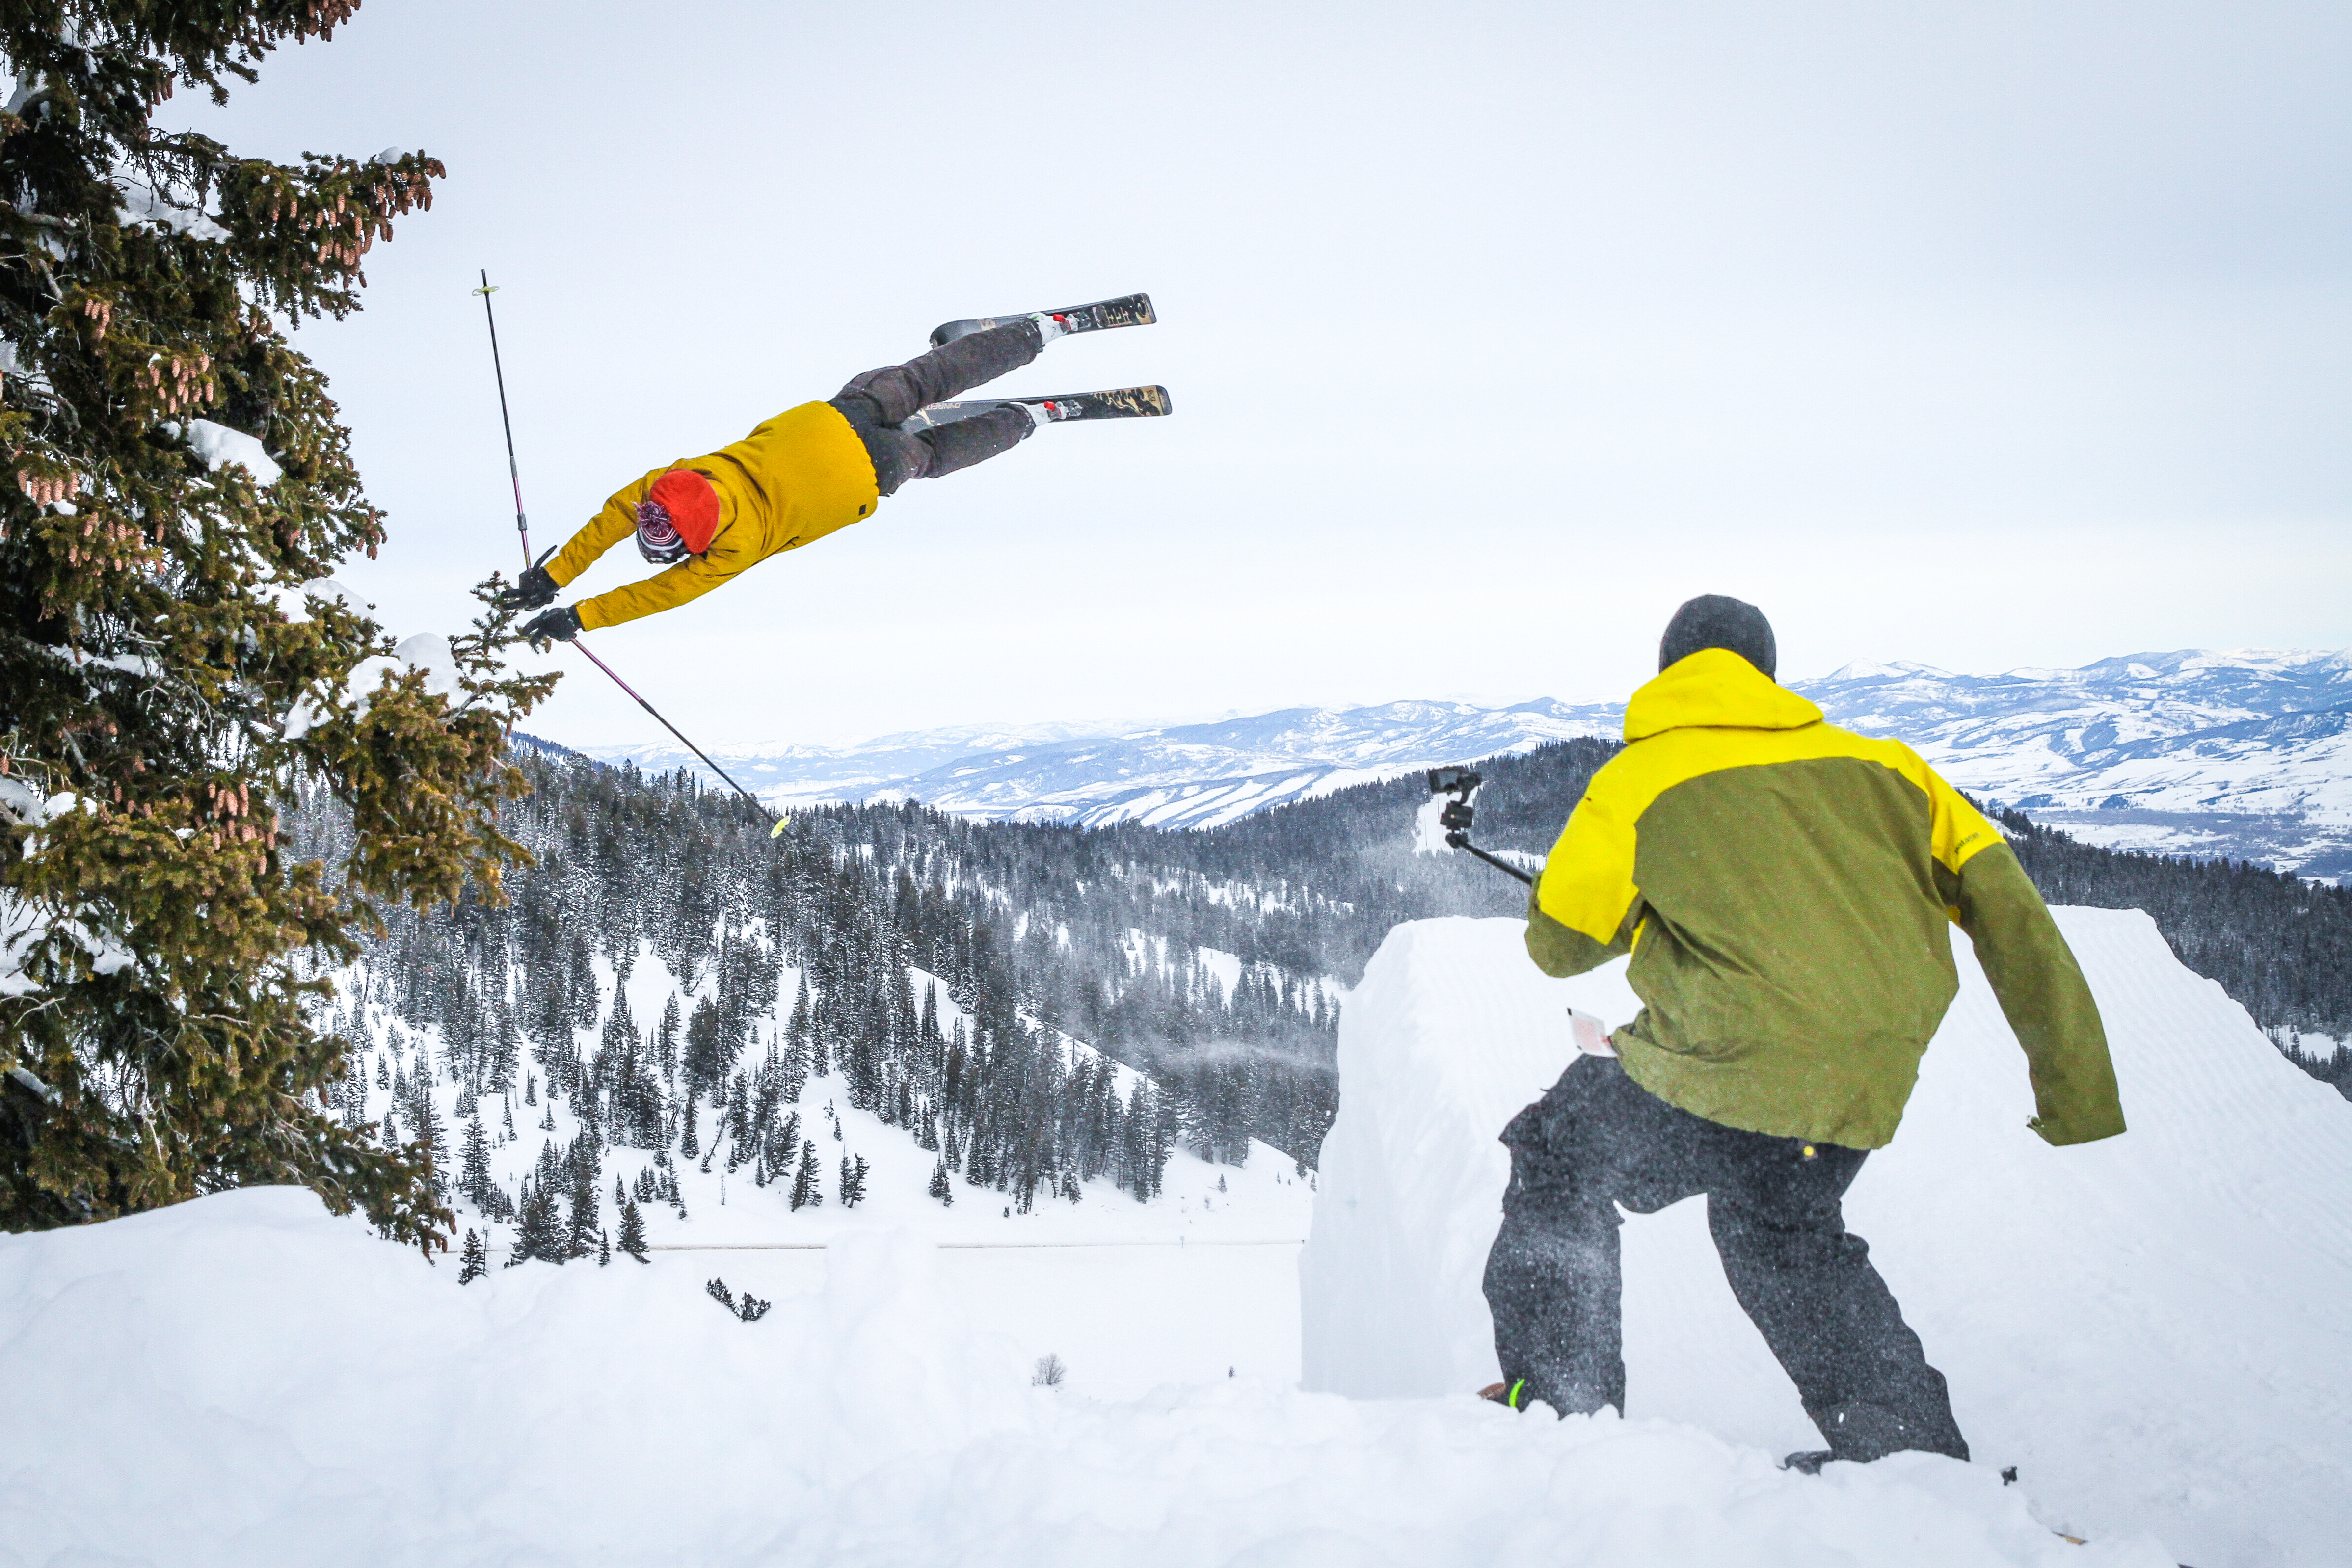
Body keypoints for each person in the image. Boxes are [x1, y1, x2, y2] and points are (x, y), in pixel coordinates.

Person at [1481, 594, 2126, 1472]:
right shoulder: (1896, 770)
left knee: (1557, 1155)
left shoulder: (1639, 778)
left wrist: (1646, 908)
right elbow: (2014, 919)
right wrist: (2074, 1091)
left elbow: (1556, 948)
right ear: (1768, 675)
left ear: (1671, 672)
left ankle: (1562, 1408)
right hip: (1857, 1079)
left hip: (1714, 1065)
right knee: (1782, 1232)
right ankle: (1912, 1464)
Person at [502, 316, 1069, 641]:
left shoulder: (731, 549)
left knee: (933, 453)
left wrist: (578, 613)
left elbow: (659, 593)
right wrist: (553, 577)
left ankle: (1021, 421)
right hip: (837, 420)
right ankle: (1031, 336)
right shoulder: (673, 481)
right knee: (924, 378)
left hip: (873, 471)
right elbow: (609, 523)